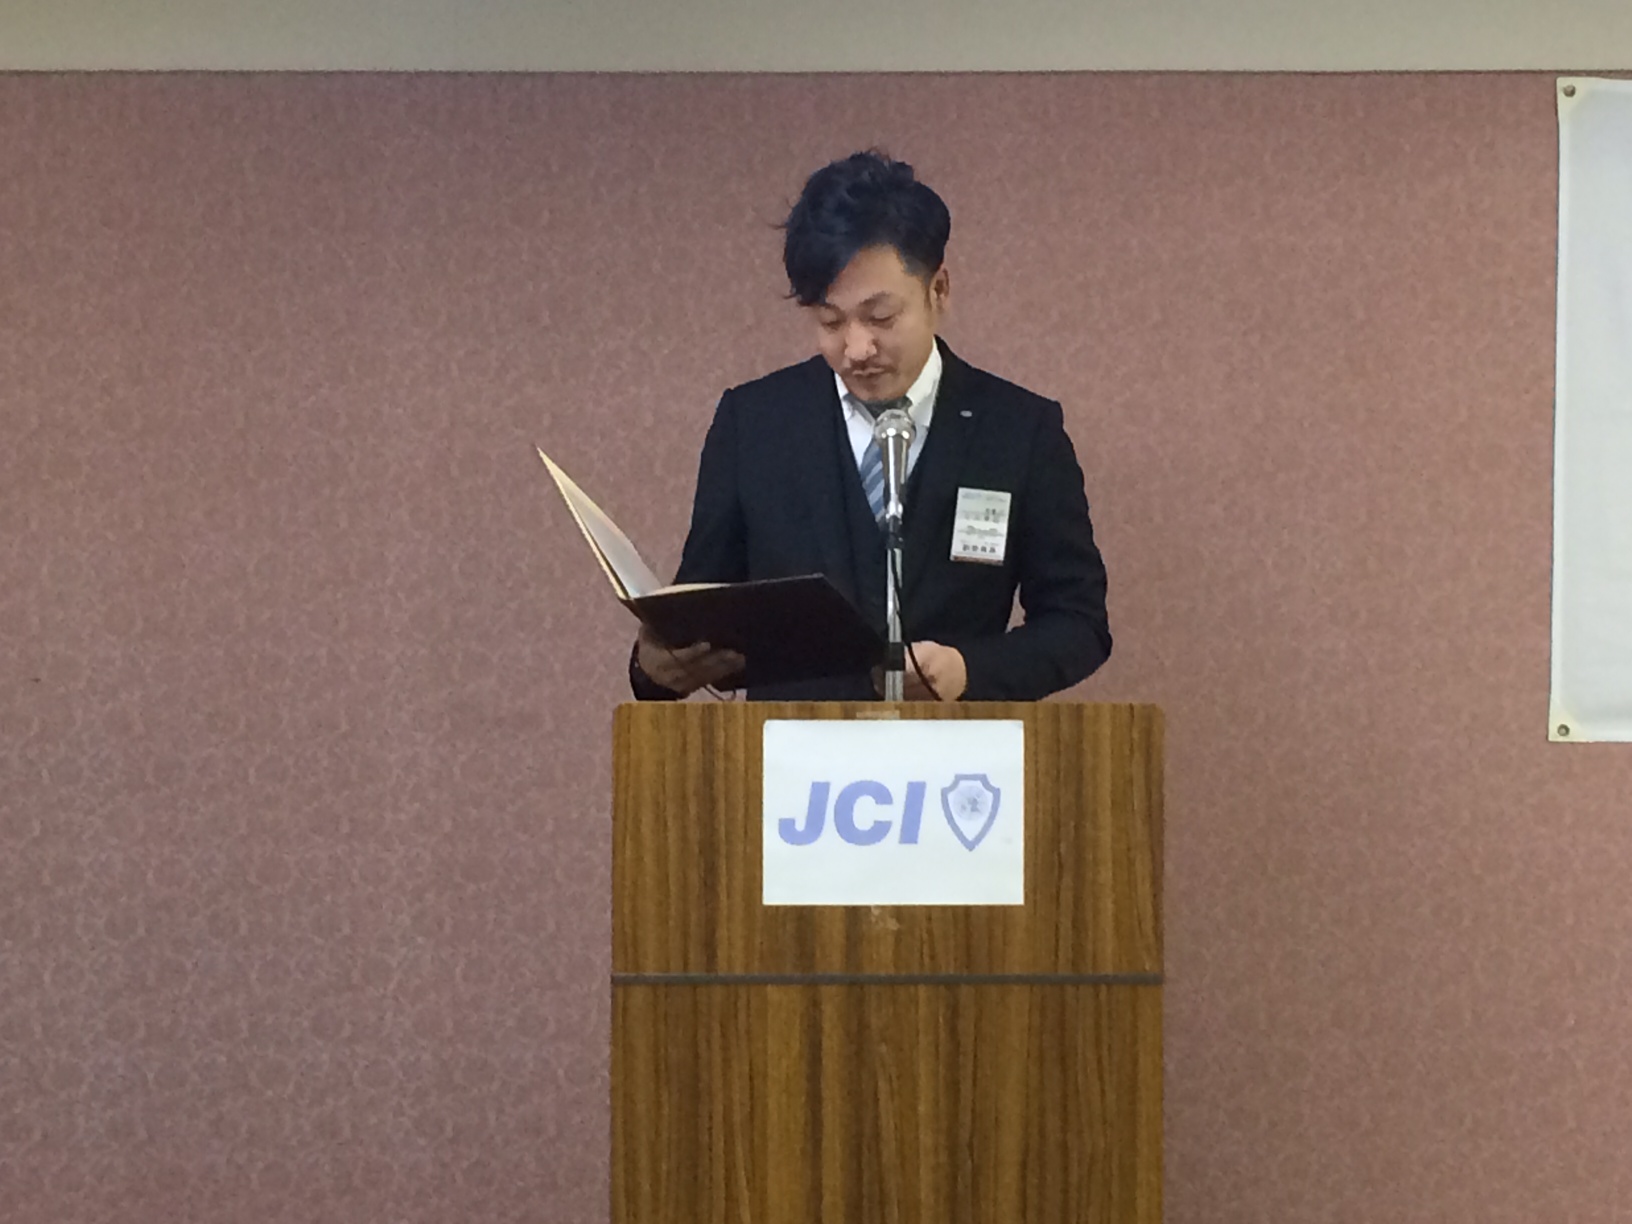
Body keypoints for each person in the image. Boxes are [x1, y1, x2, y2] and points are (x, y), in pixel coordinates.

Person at [630, 150, 1110, 702]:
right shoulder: (754, 424)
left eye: (881, 317)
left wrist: (969, 670)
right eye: (830, 321)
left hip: (954, 748)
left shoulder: (1020, 430)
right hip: (792, 749)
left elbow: (1079, 623)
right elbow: (700, 612)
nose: (857, 348)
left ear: (938, 291)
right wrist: (655, 667)